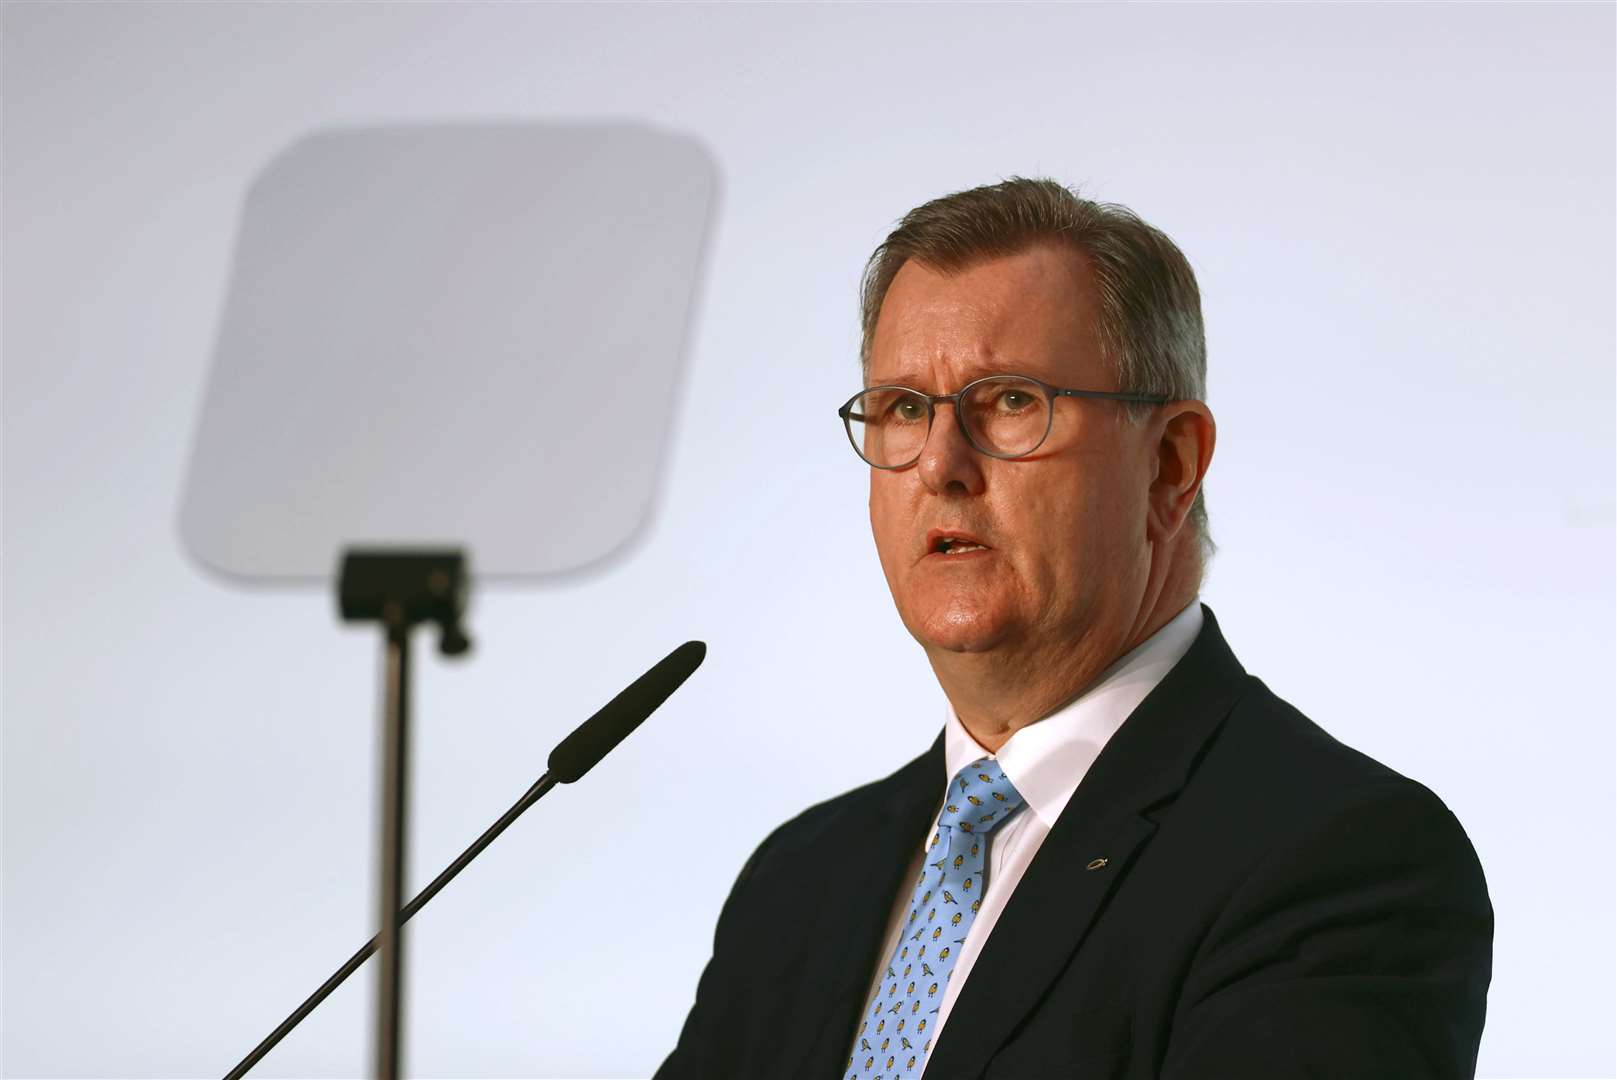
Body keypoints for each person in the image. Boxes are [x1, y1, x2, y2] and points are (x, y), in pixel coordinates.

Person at [653, 178, 1493, 1079]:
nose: (939, 465)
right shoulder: (802, 879)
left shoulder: (1337, 856)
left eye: (1009, 402)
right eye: (902, 408)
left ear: (1170, 466)